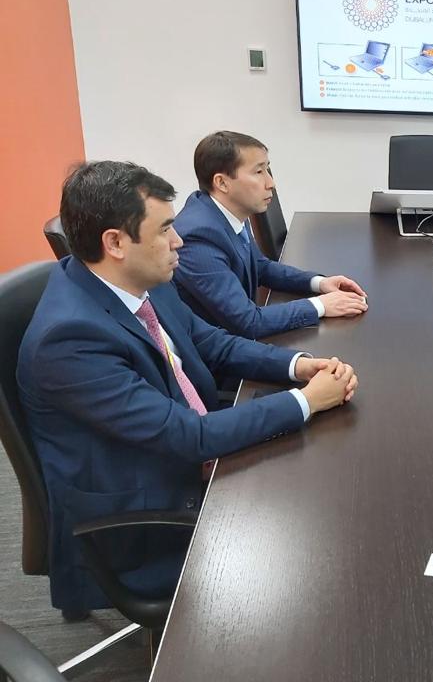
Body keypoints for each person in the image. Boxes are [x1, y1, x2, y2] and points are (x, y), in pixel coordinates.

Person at [17, 161, 358, 614]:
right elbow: (188, 437)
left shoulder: (139, 279)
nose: (179, 241)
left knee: (325, 486)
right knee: (315, 549)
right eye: (164, 230)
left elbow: (211, 342)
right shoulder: (69, 340)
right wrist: (306, 402)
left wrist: (296, 367)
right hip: (145, 523)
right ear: (115, 243)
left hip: (179, 455)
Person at [173, 131, 368, 339]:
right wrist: (319, 305)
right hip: (215, 353)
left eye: (267, 169)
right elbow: (248, 321)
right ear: (222, 183)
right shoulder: (197, 237)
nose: (271, 183)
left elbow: (260, 267)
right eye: (259, 172)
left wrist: (318, 283)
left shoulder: (227, 211)